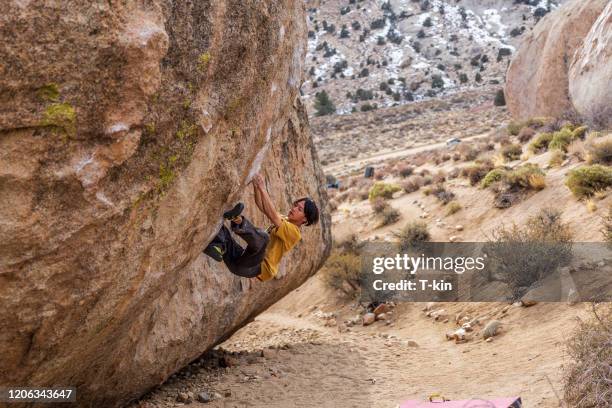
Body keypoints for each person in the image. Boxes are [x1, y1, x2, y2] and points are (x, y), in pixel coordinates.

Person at [203, 173, 319, 281]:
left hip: (254, 268)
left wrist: (263, 188)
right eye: (295, 205)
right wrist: (256, 186)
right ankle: (218, 247)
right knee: (221, 229)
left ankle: (237, 220)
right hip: (239, 262)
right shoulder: (285, 220)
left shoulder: (294, 233)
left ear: (305, 219)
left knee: (264, 238)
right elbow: (262, 207)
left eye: (299, 209)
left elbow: (273, 216)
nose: (294, 209)